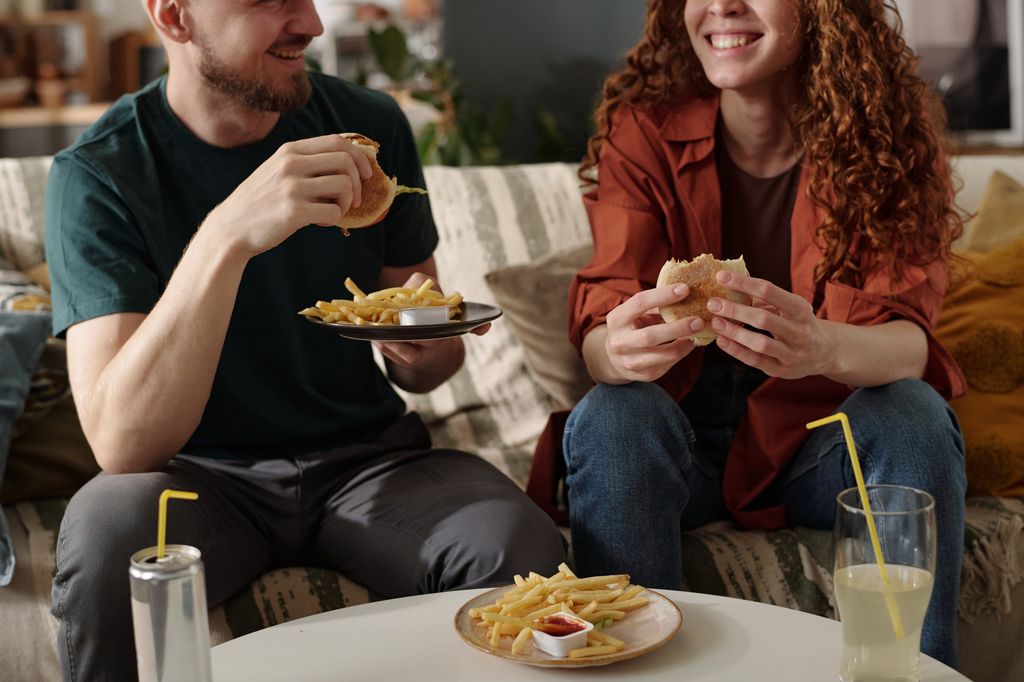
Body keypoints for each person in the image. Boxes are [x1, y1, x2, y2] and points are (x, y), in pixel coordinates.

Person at [45, 1, 564, 679]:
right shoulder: (98, 175)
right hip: (197, 478)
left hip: (371, 461)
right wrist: (230, 234)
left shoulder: (370, 127)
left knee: (517, 542)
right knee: (109, 541)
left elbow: (429, 358)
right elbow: (125, 445)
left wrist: (429, 349)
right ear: (174, 16)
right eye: (269, 1)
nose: (312, 24)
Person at [559, 0, 967, 669]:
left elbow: (911, 341)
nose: (721, 5)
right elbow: (602, 327)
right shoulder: (644, 130)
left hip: (816, 438)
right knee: (613, 416)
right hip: (678, 443)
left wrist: (822, 348)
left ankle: (913, 671)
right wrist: (615, 352)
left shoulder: (886, 135)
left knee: (912, 415)